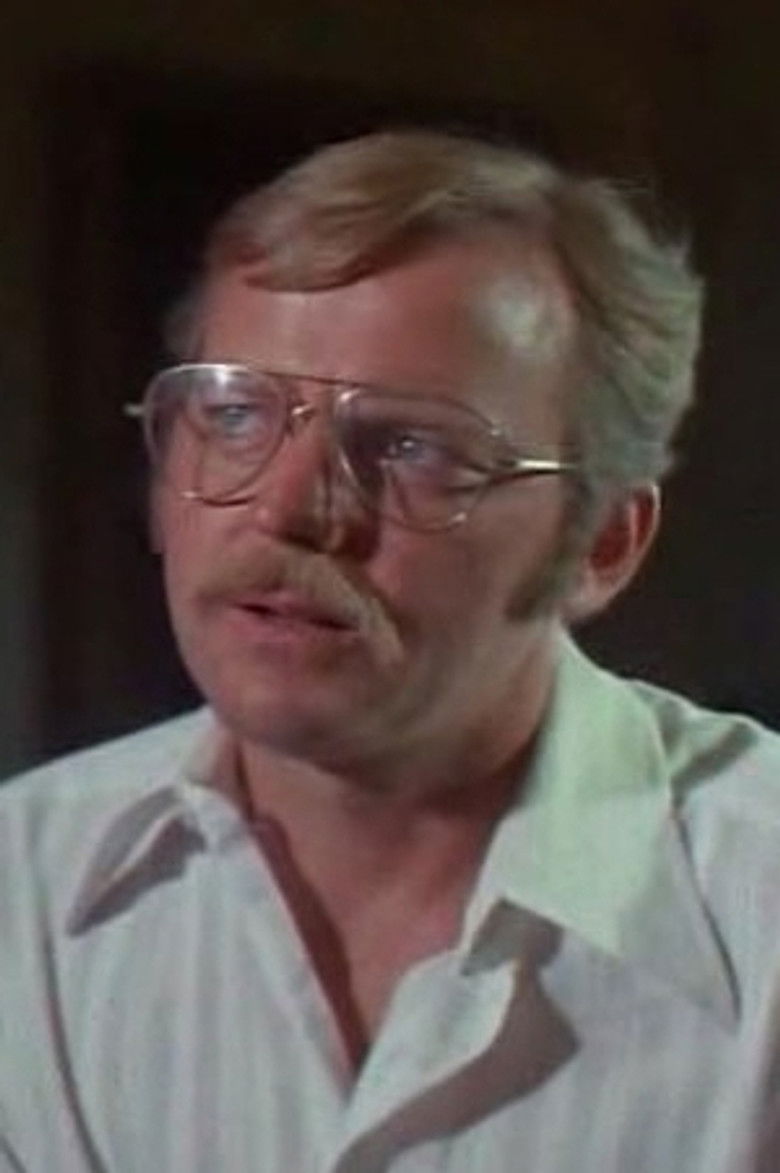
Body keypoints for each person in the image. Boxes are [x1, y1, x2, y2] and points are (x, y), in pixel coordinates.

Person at [2, 129, 779, 1173]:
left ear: (600, 544)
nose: (287, 507)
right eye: (235, 415)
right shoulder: (23, 893)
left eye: (412, 446)